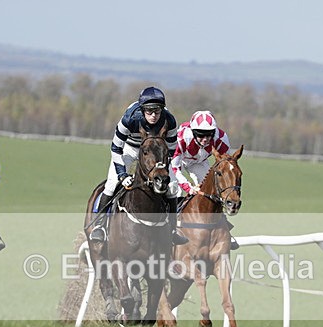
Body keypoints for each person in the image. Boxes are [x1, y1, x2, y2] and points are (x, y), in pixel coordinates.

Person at [89, 86, 187, 245]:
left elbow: (171, 149)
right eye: (149, 112)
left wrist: (162, 167)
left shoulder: (169, 120)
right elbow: (115, 148)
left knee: (173, 187)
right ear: (142, 110)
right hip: (129, 149)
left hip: (156, 152)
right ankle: (99, 226)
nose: (154, 116)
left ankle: (173, 230)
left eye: (157, 111)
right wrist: (122, 174)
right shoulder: (130, 118)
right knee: (111, 184)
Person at [170, 110, 239, 249]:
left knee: (213, 189)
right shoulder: (182, 138)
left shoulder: (221, 138)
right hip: (176, 161)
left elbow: (225, 164)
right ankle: (170, 230)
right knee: (174, 190)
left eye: (209, 134)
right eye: (200, 135)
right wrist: (188, 187)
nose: (205, 139)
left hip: (199, 162)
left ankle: (223, 227)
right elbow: (174, 167)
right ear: (193, 132)